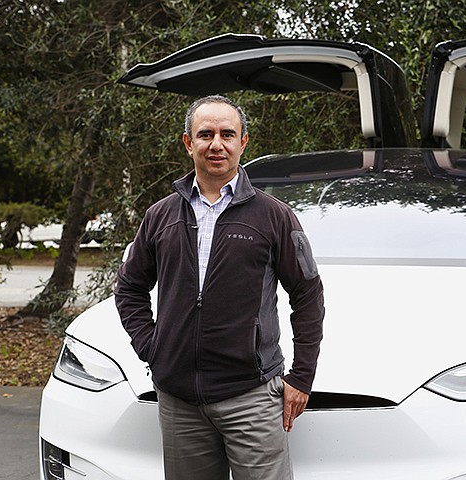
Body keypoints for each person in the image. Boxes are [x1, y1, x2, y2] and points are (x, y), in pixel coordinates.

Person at [114, 95, 325, 480]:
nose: (216, 144)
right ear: (188, 142)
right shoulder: (160, 216)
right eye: (205, 134)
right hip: (180, 402)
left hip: (252, 397)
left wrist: (302, 376)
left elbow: (308, 295)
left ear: (243, 142)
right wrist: (153, 347)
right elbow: (129, 288)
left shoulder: (274, 215)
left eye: (228, 134)